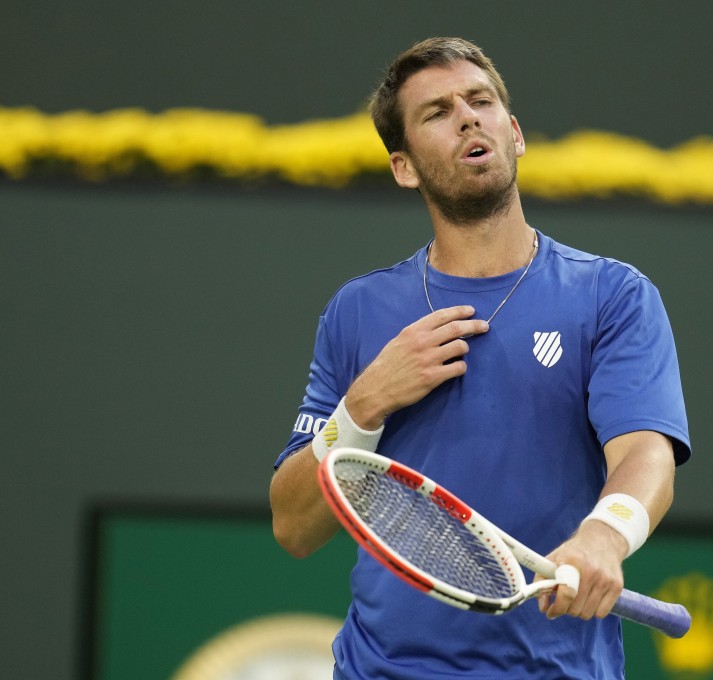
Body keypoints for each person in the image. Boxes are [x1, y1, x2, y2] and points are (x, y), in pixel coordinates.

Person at [270, 37, 691, 679]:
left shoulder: (613, 295)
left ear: (514, 134)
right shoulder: (356, 311)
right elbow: (294, 526)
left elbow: (644, 454)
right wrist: (362, 406)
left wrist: (604, 536)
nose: (468, 118)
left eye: (481, 101)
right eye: (437, 113)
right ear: (405, 167)